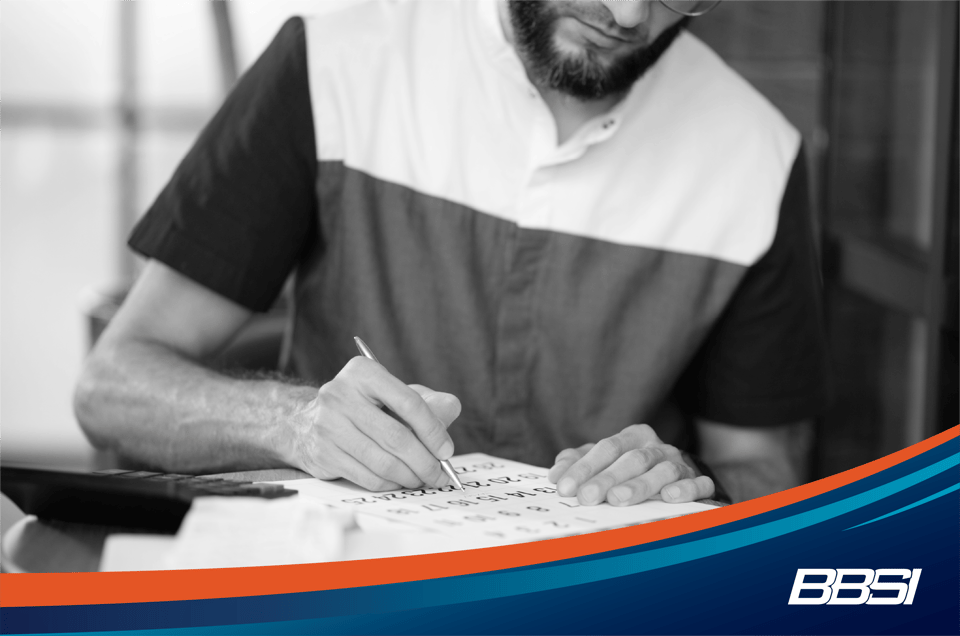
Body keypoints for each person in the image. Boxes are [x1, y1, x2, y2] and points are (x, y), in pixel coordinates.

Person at [74, 0, 828, 507]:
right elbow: (112, 385)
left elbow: (767, 469)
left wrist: (691, 479)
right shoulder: (336, 61)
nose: (629, 14)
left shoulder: (757, 154)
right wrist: (290, 421)